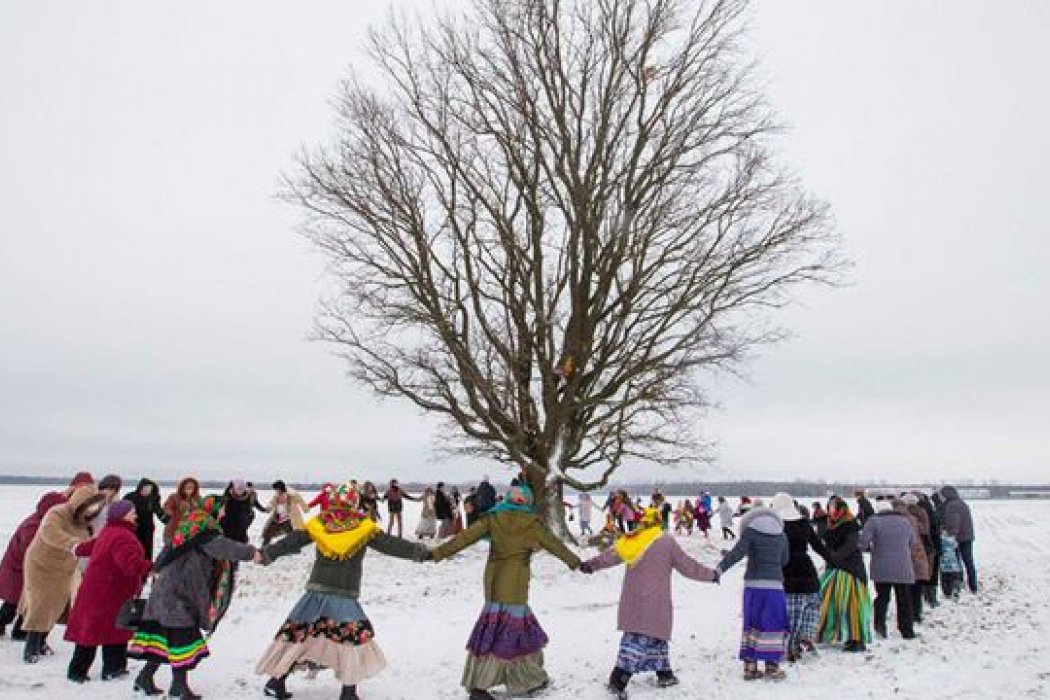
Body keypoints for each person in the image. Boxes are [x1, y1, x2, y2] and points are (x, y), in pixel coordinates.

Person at [256, 482, 430, 700]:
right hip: (343, 593)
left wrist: (267, 554)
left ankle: (276, 682)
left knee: (303, 636)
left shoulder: (321, 523)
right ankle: (348, 692)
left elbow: (294, 540)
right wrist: (420, 553)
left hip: (316, 591)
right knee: (350, 640)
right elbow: (390, 544)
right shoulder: (362, 527)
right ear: (354, 502)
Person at [430, 484, 582, 700]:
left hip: (494, 580)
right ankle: (480, 687)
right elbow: (556, 545)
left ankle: (530, 677)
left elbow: (464, 539)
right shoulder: (532, 523)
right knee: (507, 632)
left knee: (513, 629)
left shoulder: (493, 518)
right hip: (516, 583)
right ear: (526, 501)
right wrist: (576, 563)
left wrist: (438, 553)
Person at [580, 508, 718, 698]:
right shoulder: (666, 542)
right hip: (656, 601)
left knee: (654, 636)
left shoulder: (633, 539)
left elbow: (611, 556)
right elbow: (688, 566)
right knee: (638, 639)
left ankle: (664, 674)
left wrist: (591, 565)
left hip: (634, 600)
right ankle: (617, 679)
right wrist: (711, 575)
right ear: (659, 522)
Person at [129, 495, 257, 699]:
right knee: (181, 638)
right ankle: (179, 687)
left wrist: (157, 570)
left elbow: (165, 552)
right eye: (222, 509)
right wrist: (253, 553)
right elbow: (224, 547)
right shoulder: (204, 531)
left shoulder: (188, 525)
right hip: (180, 593)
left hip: (168, 590)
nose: (224, 513)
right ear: (213, 510)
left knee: (166, 637)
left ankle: (146, 677)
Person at [64, 499, 152, 683]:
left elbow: (91, 546)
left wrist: (77, 548)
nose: (135, 514)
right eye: (132, 511)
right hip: (111, 593)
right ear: (122, 515)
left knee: (92, 632)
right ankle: (112, 669)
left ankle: (80, 671)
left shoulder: (110, 531)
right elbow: (129, 564)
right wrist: (151, 568)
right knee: (114, 631)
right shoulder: (122, 536)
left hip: (98, 591)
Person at [20, 484, 105, 663]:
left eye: (95, 507)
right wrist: (74, 544)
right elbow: (50, 533)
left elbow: (89, 543)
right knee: (40, 603)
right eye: (90, 506)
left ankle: (42, 641)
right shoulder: (57, 513)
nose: (92, 510)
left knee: (56, 604)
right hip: (41, 564)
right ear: (79, 502)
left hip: (64, 568)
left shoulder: (85, 522)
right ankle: (31, 646)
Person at [715, 502, 790, 681]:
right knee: (773, 624)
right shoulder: (782, 535)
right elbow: (785, 560)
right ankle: (772, 667)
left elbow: (736, 554)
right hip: (775, 587)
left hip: (753, 586)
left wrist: (719, 570)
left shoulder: (750, 532)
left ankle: (750, 667)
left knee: (752, 623)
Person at [0, 491, 68, 640]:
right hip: (17, 571)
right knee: (12, 605)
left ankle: (20, 631)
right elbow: (31, 551)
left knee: (30, 603)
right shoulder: (33, 525)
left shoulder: (46, 523)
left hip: (27, 571)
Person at [774, 493, 831, 663]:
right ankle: (804, 638)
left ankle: (789, 648)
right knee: (811, 607)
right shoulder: (805, 523)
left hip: (786, 573)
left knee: (790, 613)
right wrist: (834, 561)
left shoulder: (777, 525)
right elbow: (819, 547)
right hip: (807, 572)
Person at [816, 497, 871, 652]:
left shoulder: (851, 525)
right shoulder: (828, 524)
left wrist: (833, 556)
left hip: (850, 571)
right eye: (831, 509)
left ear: (843, 510)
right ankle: (838, 633)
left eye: (836, 510)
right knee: (831, 604)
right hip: (834, 570)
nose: (833, 513)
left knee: (851, 605)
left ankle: (857, 638)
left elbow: (851, 545)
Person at [858, 499, 917, 640]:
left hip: (881, 566)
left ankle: (880, 628)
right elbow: (913, 541)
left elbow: (863, 542)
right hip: (903, 566)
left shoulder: (873, 521)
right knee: (904, 599)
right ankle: (907, 630)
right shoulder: (905, 521)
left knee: (882, 598)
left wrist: (870, 549)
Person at [900, 494, 932, 623]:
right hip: (919, 551)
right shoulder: (922, 513)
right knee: (917, 586)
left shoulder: (904, 517)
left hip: (906, 552)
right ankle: (917, 613)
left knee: (907, 587)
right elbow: (925, 532)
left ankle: (910, 613)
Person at [940, 485, 977, 593]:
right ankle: (973, 585)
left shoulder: (951, 506)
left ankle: (958, 584)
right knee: (969, 562)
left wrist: (952, 536)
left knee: (956, 563)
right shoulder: (962, 503)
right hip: (967, 536)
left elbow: (954, 522)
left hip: (958, 538)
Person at [124, 478, 170, 561]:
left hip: (147, 530)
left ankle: (146, 570)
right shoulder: (130, 496)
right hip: (132, 529)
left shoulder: (152, 499)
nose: (147, 490)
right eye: (145, 488)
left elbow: (159, 512)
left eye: (150, 489)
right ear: (140, 487)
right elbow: (122, 512)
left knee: (146, 553)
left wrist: (170, 522)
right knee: (132, 551)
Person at [262, 480, 310, 546]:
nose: (276, 491)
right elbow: (272, 502)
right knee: (269, 530)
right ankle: (264, 545)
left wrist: (305, 509)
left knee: (291, 534)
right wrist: (268, 508)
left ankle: (294, 547)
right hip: (277, 517)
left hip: (289, 518)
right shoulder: (277, 495)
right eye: (275, 489)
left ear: (280, 488)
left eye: (277, 489)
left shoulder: (291, 494)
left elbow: (300, 500)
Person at [162, 477, 202, 544]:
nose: (189, 488)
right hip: (173, 531)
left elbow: (202, 512)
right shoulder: (174, 497)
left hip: (189, 533)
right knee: (169, 552)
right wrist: (169, 511)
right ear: (182, 487)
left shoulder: (198, 499)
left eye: (192, 487)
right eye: (187, 486)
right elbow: (167, 506)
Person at [220, 479, 261, 544]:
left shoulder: (250, 495)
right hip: (232, 526)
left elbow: (255, 504)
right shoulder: (228, 498)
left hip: (238, 525)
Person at [939, 529, 964, 600]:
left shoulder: (940, 541)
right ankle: (955, 588)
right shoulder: (953, 540)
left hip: (944, 565)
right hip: (954, 565)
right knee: (955, 578)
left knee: (945, 579)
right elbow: (957, 550)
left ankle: (947, 592)